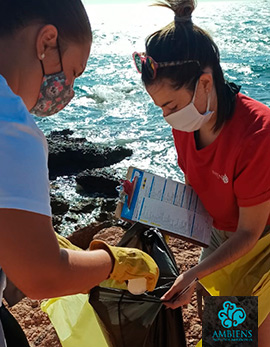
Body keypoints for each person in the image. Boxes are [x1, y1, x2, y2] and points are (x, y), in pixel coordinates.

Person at [0, 1, 159, 345]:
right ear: (46, 42)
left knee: (236, 324)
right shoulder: (11, 128)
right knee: (235, 322)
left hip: (235, 263)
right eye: (73, 73)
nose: (68, 91)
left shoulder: (253, 133)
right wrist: (112, 261)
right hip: (227, 264)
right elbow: (41, 276)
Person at [132, 0, 270, 345]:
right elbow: (197, 190)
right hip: (224, 233)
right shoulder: (188, 121)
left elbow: (249, 233)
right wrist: (146, 202)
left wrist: (194, 272)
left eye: (171, 106)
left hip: (261, 241)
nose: (167, 117)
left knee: (250, 336)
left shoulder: (257, 133)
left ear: (205, 83)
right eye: (160, 107)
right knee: (225, 334)